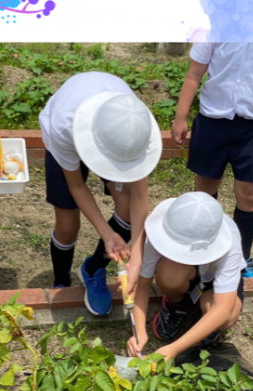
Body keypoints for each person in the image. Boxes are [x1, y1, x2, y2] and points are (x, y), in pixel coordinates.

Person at [39, 71, 163, 316]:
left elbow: (140, 197)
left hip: (116, 131)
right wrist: (106, 233)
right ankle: (61, 280)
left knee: (126, 206)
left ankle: (93, 268)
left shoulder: (139, 131)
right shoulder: (63, 127)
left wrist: (137, 258)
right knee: (67, 225)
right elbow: (77, 186)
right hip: (67, 132)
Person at [171, 43, 253, 278]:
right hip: (213, 119)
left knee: (249, 194)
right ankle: (203, 252)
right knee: (205, 188)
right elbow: (194, 73)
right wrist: (180, 117)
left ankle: (241, 257)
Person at [126, 192, 246, 360]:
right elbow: (142, 284)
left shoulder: (230, 243)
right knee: (168, 275)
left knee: (228, 317)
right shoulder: (162, 230)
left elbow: (223, 309)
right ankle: (178, 305)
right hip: (182, 270)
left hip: (212, 280)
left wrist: (175, 348)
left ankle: (208, 325)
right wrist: (138, 331)